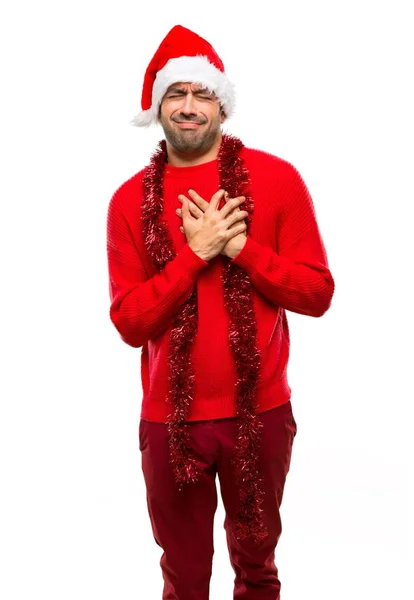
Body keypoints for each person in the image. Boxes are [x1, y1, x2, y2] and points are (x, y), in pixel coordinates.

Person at [106, 24, 335, 600]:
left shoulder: (277, 180)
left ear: (222, 107)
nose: (187, 107)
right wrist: (197, 254)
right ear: (157, 106)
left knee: (257, 570)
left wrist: (240, 248)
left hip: (261, 413)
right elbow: (130, 323)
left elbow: (317, 294)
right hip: (169, 421)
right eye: (174, 93)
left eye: (201, 93)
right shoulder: (129, 200)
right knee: (184, 578)